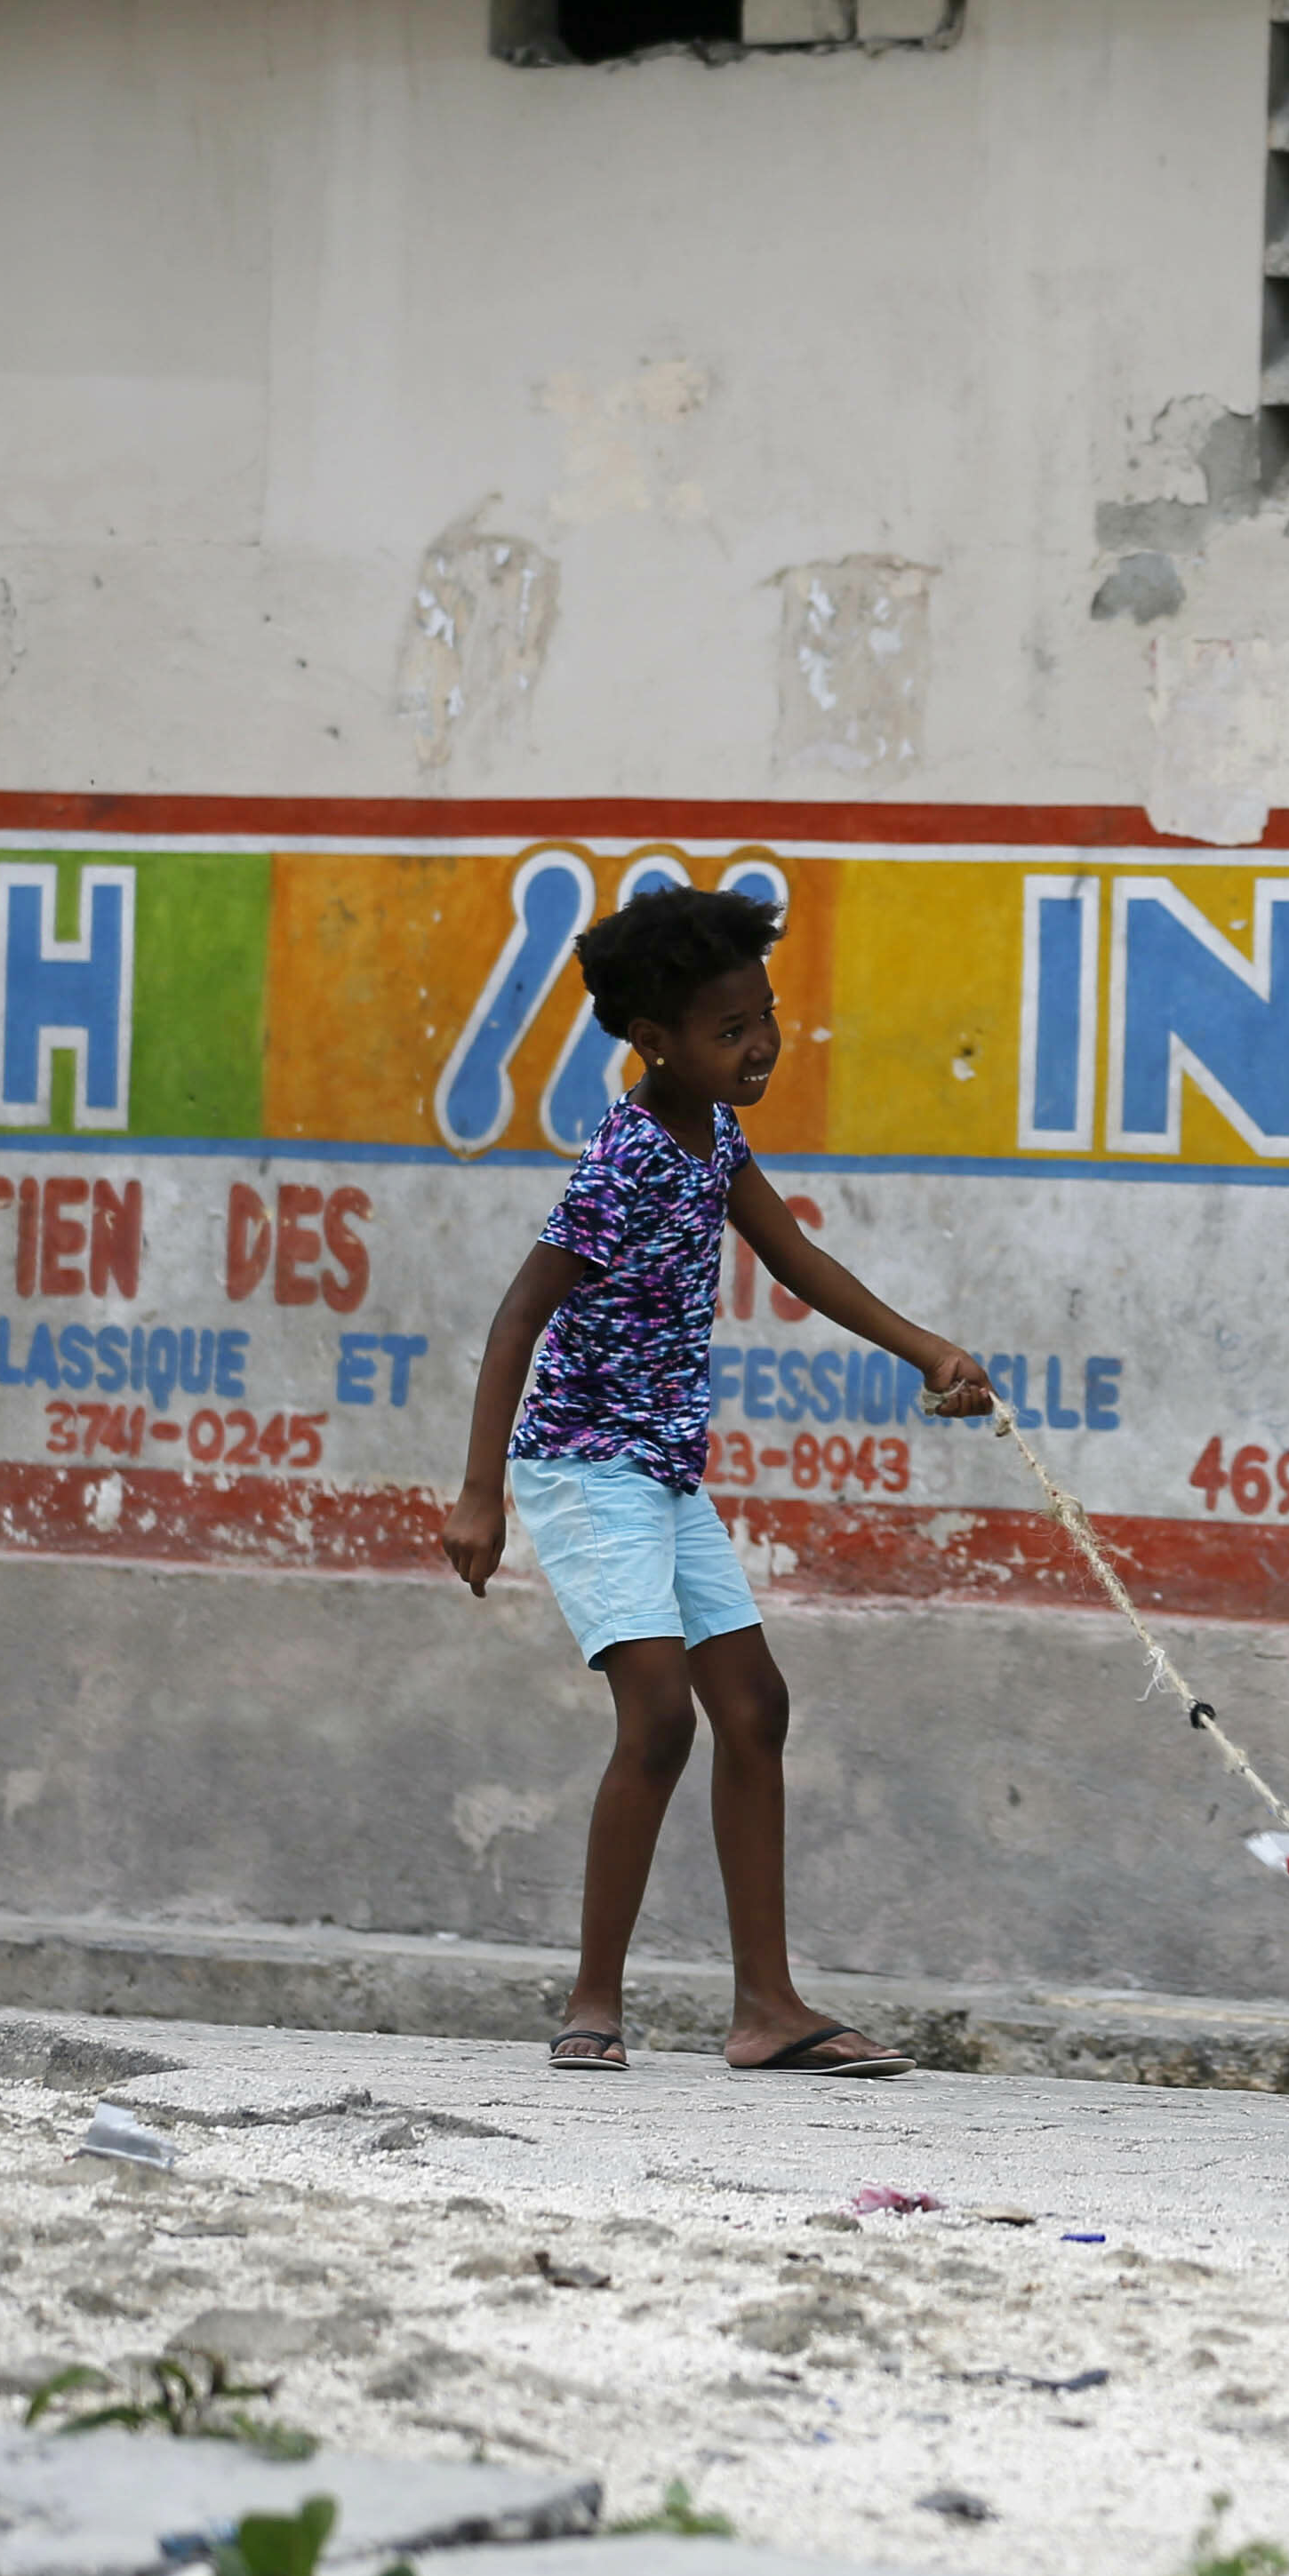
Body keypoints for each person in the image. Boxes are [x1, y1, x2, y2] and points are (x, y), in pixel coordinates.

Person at [439, 885, 997, 2078]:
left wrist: (930, 1351)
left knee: (755, 1710)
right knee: (657, 1718)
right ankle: (594, 2001)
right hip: (586, 1465)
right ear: (654, 1043)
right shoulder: (628, 1157)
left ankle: (769, 2009)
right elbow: (516, 1319)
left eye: (766, 1018)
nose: (762, 1047)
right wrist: (479, 1493)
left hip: (662, 1469)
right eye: (730, 1031)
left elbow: (799, 1260)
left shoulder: (719, 1141)